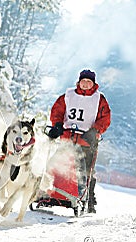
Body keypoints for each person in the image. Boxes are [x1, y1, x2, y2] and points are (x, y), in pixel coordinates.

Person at [47, 69, 111, 213]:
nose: (86, 84)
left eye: (89, 82)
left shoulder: (99, 99)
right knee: (56, 164)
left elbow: (105, 118)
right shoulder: (68, 95)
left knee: (86, 171)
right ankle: (54, 193)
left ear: (93, 84)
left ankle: (88, 199)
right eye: (84, 81)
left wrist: (95, 131)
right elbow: (57, 111)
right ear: (79, 82)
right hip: (67, 137)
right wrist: (57, 125)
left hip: (86, 140)